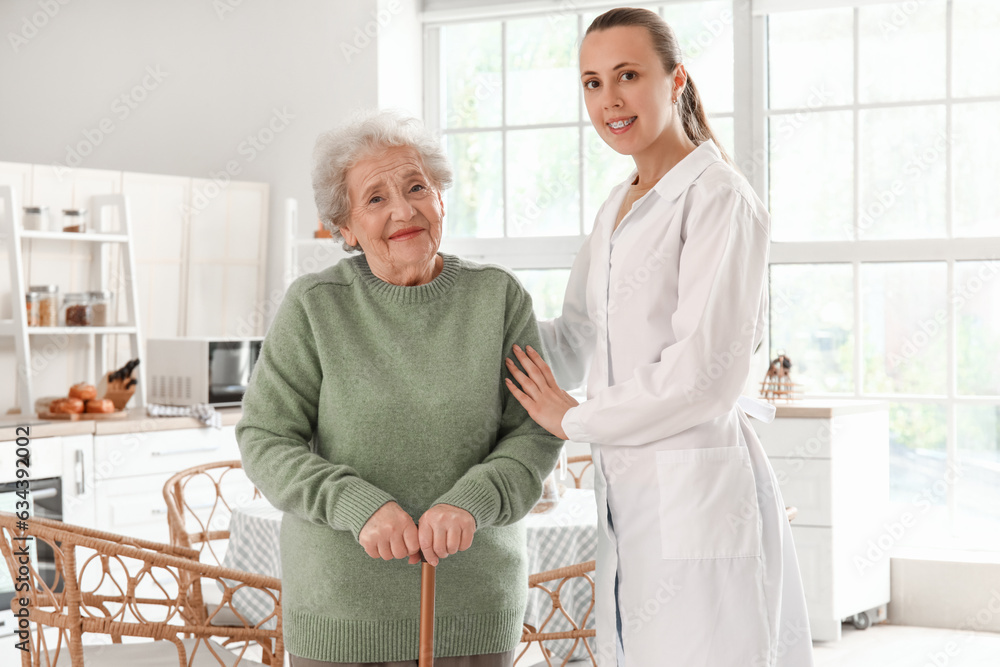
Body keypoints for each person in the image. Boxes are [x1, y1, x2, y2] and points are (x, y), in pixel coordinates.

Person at [504, 8, 814, 667]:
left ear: (676, 81)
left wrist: (577, 416)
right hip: (628, 491)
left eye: (627, 75)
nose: (608, 99)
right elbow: (579, 334)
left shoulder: (718, 198)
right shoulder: (615, 206)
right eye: (591, 82)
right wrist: (473, 320)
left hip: (696, 486)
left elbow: (704, 376)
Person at [237, 109, 563, 667]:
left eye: (417, 187)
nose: (403, 210)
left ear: (441, 196)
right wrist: (356, 504)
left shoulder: (499, 298)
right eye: (375, 199)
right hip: (341, 613)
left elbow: (534, 431)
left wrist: (474, 500)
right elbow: (266, 439)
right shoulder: (315, 306)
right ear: (344, 228)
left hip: (474, 612)